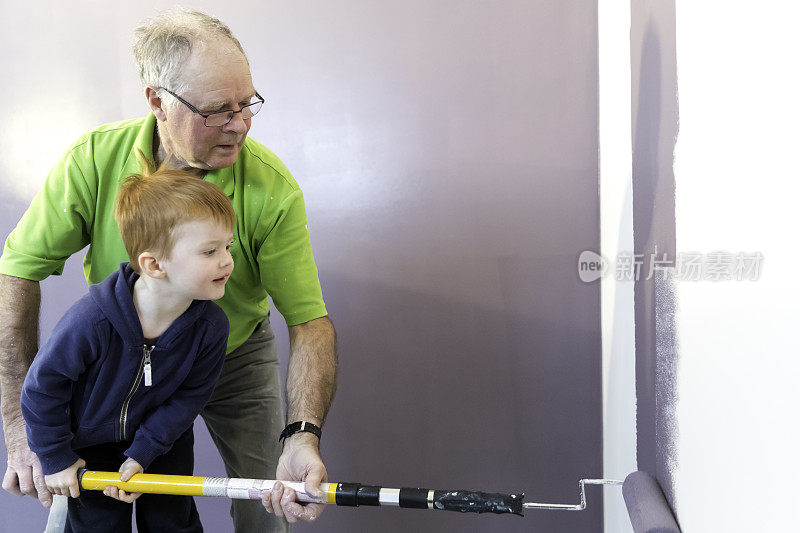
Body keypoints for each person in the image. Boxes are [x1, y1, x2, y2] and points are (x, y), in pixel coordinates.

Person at [0, 8, 337, 532]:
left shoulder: (272, 188)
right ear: (158, 99)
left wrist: (301, 435)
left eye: (247, 104)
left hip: (231, 352)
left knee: (264, 509)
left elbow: (309, 321)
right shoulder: (93, 161)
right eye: (219, 110)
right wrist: (22, 428)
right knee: (89, 509)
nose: (241, 124)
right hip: (116, 363)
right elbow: (17, 270)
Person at [21, 165, 234, 531]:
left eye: (227, 246)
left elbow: (189, 397)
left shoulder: (211, 327)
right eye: (209, 251)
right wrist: (55, 456)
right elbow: (42, 388)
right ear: (153, 264)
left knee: (173, 523)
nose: (227, 260)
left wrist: (144, 451)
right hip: (91, 445)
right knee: (99, 526)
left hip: (163, 441)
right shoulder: (93, 320)